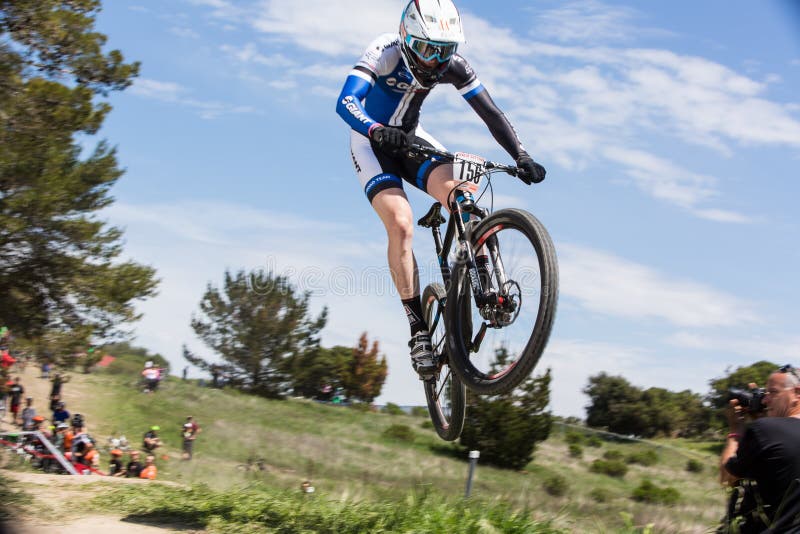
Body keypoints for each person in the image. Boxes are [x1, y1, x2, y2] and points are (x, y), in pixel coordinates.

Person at [335, 0, 546, 379]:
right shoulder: (386, 51)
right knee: (400, 224)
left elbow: (491, 113)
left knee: (463, 193)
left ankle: (484, 279)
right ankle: (419, 331)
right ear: (408, 37)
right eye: (429, 49)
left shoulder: (453, 66)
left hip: (412, 140)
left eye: (445, 51)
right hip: (371, 144)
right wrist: (375, 130)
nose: (435, 61)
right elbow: (345, 101)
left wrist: (521, 154)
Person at [719, 365, 800, 532]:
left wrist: (736, 431)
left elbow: (727, 478)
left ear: (797, 393)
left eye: (773, 392)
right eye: (765, 394)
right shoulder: (767, 430)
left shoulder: (764, 429)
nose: (764, 400)